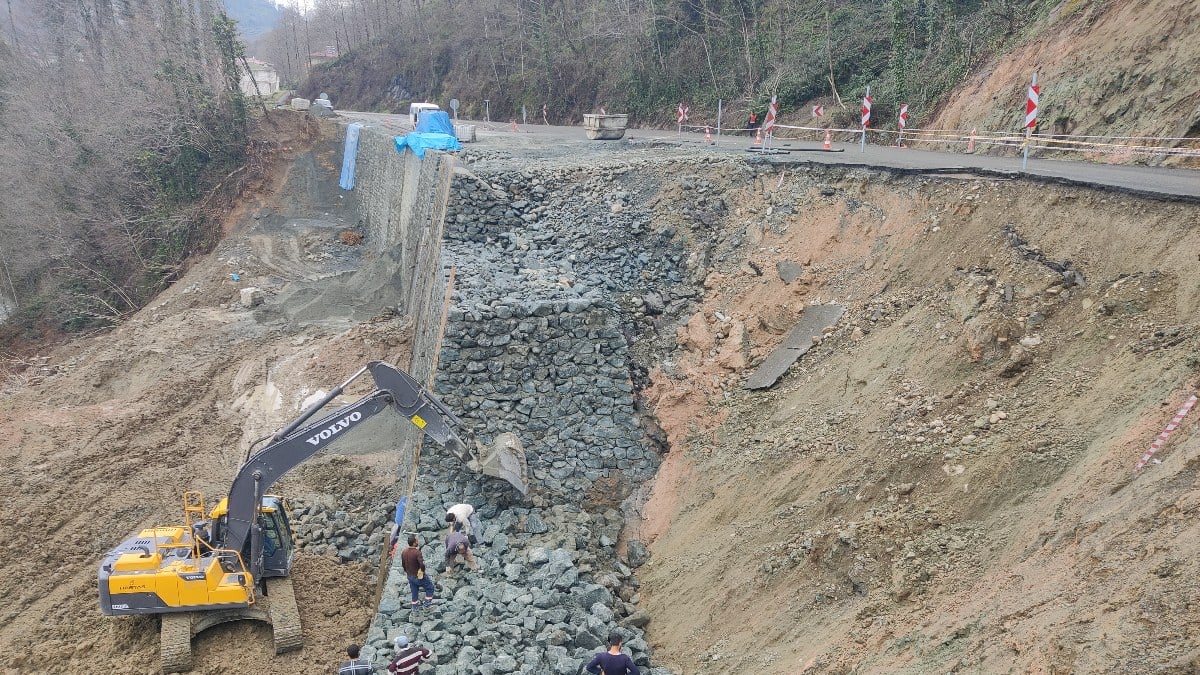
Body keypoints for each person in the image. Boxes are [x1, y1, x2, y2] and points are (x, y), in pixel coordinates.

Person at [400, 534, 436, 609]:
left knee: (414, 592)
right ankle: (426, 606)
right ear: (413, 543)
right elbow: (422, 565)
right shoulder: (417, 552)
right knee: (430, 587)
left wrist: (408, 572)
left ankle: (415, 608)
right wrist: (422, 572)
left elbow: (403, 565)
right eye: (416, 541)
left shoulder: (404, 552)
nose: (418, 542)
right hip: (418, 576)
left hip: (410, 576)